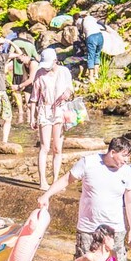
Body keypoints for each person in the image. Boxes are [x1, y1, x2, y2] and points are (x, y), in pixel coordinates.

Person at [38, 136, 131, 261]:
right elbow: (66, 180)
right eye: (124, 156)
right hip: (88, 229)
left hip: (115, 229)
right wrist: (46, 195)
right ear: (112, 152)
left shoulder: (127, 171)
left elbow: (130, 201)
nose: (126, 160)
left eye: (128, 156)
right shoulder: (88, 162)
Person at [31, 48, 73, 190]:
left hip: (60, 111)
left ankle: (55, 181)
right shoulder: (40, 73)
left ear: (55, 61)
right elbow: (34, 97)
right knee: (44, 147)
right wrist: (32, 117)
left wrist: (67, 94)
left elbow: (70, 89)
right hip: (45, 110)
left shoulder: (64, 72)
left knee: (57, 148)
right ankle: (42, 180)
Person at [10, 35, 40, 125]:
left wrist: (19, 86)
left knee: (34, 105)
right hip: (30, 84)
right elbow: (25, 78)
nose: (18, 60)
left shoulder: (33, 63)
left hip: (37, 84)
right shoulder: (24, 64)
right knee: (29, 104)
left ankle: (39, 120)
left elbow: (31, 79)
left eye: (19, 58)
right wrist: (20, 87)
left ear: (24, 55)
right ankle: (33, 121)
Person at [77, 11, 104, 82]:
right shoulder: (91, 18)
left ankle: (91, 77)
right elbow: (100, 23)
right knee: (97, 54)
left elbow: (80, 32)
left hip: (91, 37)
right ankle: (96, 75)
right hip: (100, 35)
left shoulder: (79, 21)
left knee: (91, 56)